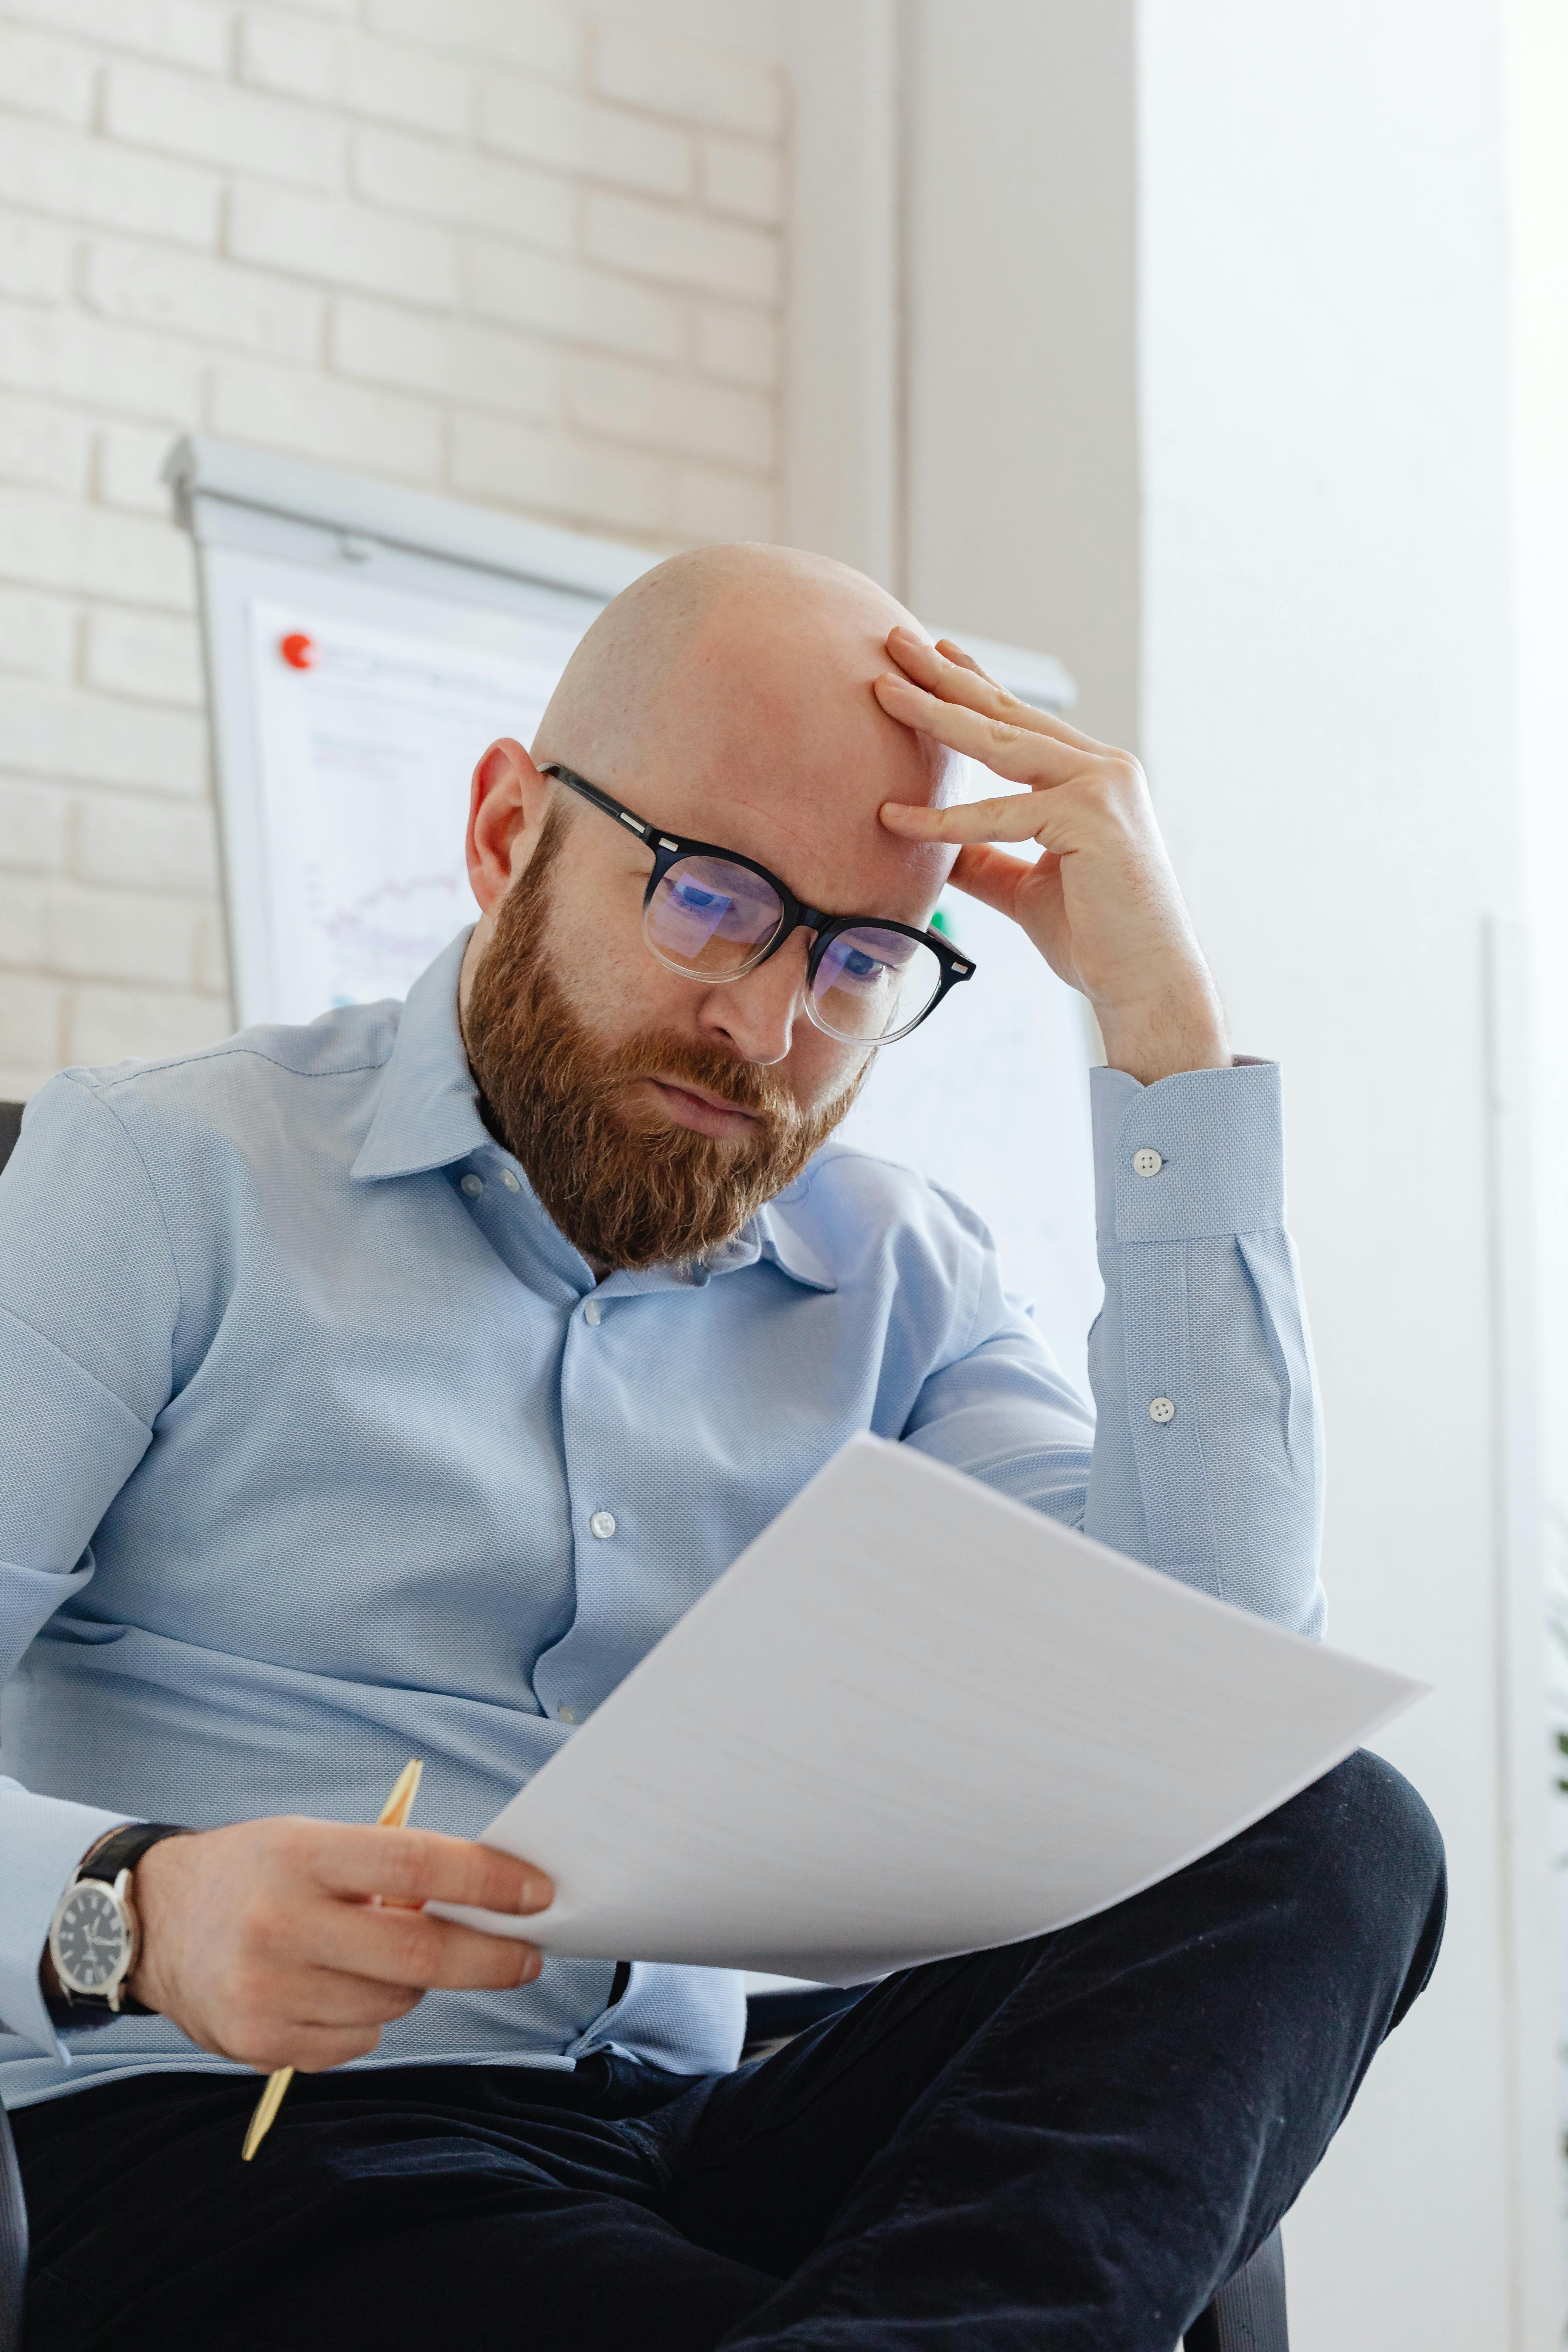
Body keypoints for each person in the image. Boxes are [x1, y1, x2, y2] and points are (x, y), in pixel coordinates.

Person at [0, 545, 1442, 2351]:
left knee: (1325, 1826)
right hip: (243, 2145)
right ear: (506, 829)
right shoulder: (154, 1178)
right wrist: (133, 1910)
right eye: (707, 900)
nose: (764, 1028)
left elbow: (1208, 1707)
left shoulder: (898, 1274)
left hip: (680, 2131)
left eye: (856, 961)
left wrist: (1160, 1035)